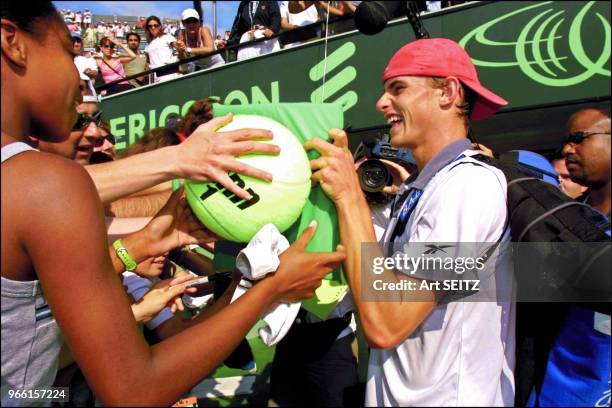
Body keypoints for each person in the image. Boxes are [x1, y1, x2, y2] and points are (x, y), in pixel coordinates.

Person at [1, 3, 346, 407]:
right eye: (67, 51)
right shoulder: (42, 184)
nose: (80, 79)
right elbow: (133, 390)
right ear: (12, 41)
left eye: (397, 89)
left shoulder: (34, 185)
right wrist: (271, 289)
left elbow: (402, 309)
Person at [306, 38, 515, 406]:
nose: (381, 103)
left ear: (447, 92)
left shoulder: (469, 184)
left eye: (397, 88)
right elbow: (380, 282)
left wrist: (351, 196)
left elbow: (386, 322)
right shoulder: (425, 186)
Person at [144, 15, 185, 83]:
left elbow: (178, 47)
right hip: (154, 77)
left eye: (155, 25)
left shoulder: (167, 37)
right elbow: (148, 61)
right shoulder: (148, 44)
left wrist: (180, 47)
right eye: (150, 26)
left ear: (160, 26)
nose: (153, 27)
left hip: (168, 74)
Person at [72, 32, 98, 98]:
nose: (76, 44)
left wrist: (90, 72)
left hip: (87, 97)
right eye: (72, 41)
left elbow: (95, 73)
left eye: (78, 41)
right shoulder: (62, 60)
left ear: (82, 44)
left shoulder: (88, 59)